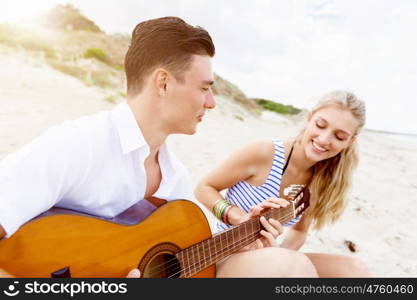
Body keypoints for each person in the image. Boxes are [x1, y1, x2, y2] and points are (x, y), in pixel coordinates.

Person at [0, 16, 317, 278]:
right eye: (205, 88)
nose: (212, 102)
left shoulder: (174, 177)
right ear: (163, 83)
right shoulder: (76, 145)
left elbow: (182, 260)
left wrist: (244, 238)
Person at [195, 90, 372, 277]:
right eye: (320, 125)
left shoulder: (321, 179)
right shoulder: (265, 152)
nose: (324, 139)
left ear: (350, 142)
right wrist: (239, 218)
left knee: (355, 271)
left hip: (265, 259)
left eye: (340, 137)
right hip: (222, 254)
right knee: (295, 264)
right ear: (310, 118)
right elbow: (203, 188)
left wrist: (277, 252)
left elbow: (299, 231)